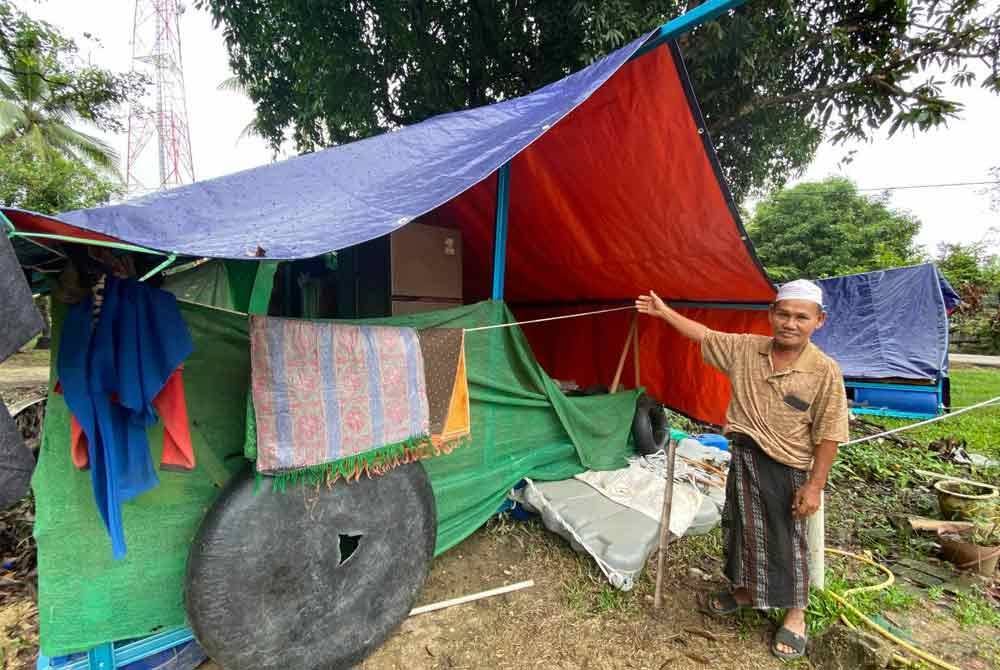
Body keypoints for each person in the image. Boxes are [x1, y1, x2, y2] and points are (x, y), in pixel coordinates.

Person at [635, 279, 849, 660]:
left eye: (801, 317)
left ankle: (795, 615)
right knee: (742, 531)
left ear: (819, 321)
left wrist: (815, 486)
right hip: (744, 458)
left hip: (789, 469)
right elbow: (704, 335)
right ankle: (747, 591)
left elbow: (830, 432)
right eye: (783, 314)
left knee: (788, 543)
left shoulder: (824, 371)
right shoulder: (747, 350)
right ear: (771, 315)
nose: (790, 323)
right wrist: (664, 312)